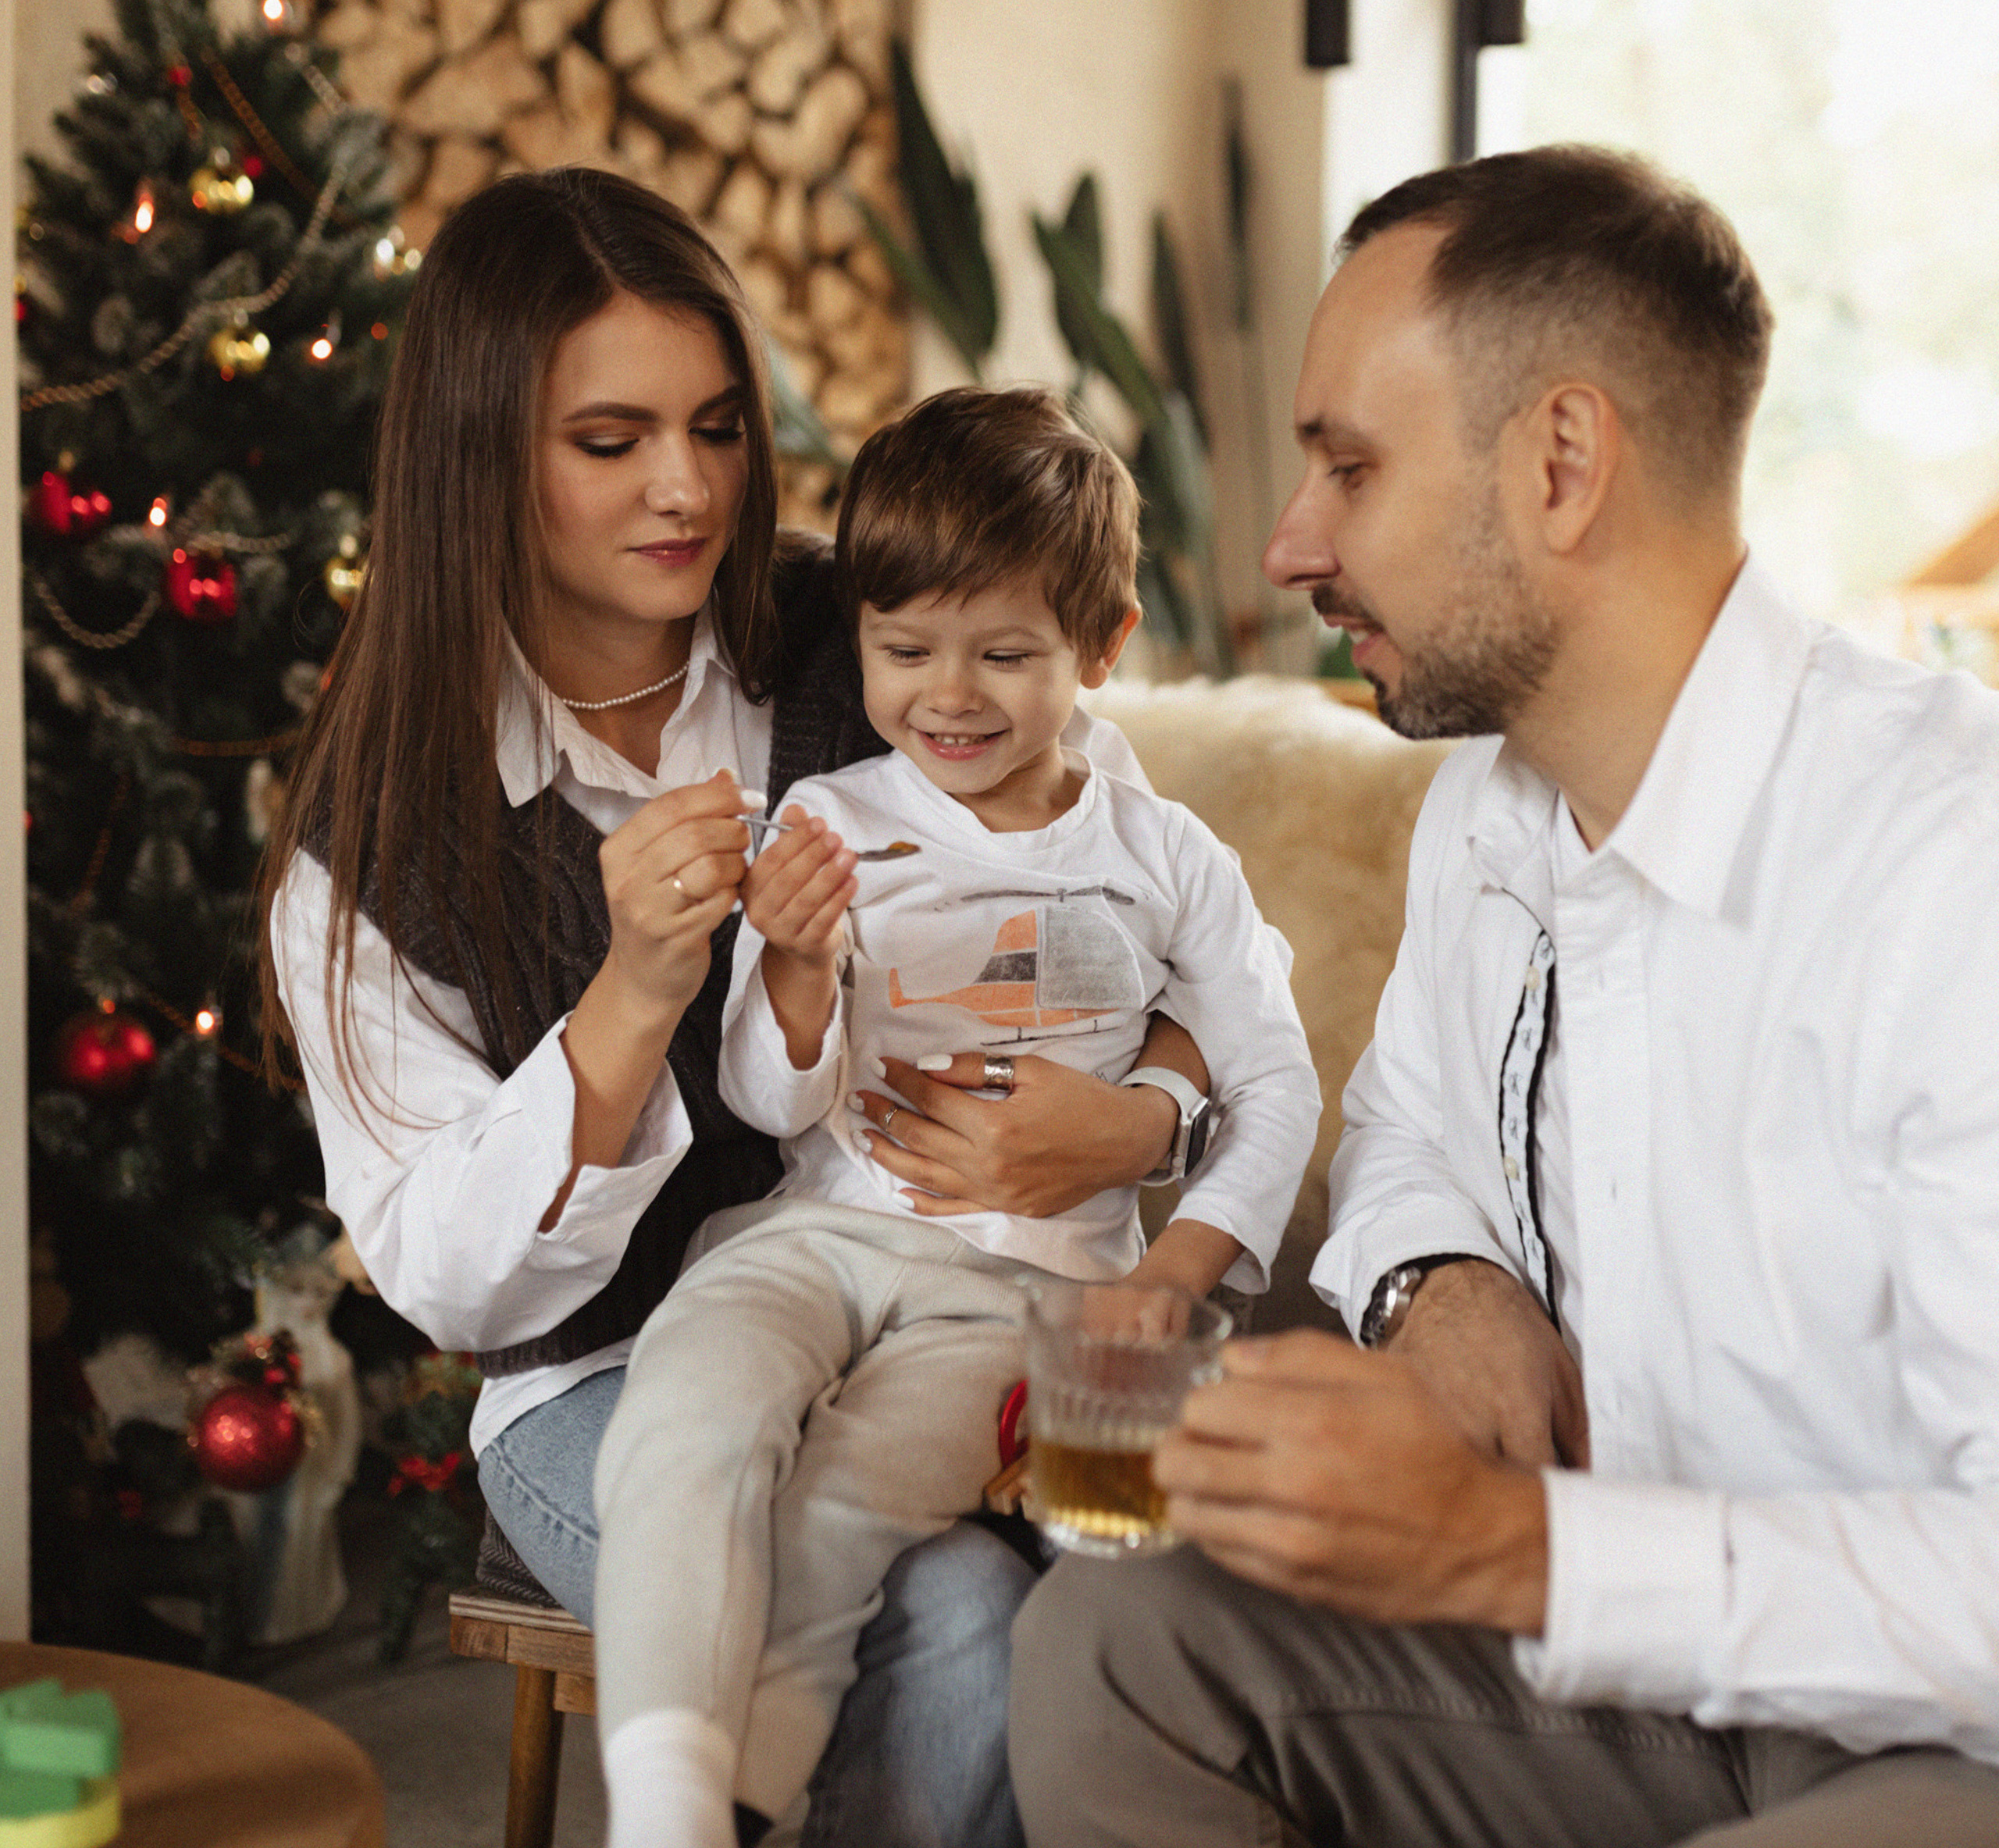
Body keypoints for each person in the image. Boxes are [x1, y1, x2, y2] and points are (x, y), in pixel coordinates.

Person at [1008, 144, 1999, 1846]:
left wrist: (1512, 1547)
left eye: (1347, 464)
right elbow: (1404, 1130)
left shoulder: (1946, 866)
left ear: (1557, 461)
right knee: (1107, 1641)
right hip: (1626, 1679)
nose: (1286, 539)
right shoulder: (1488, 807)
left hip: (1936, 1732)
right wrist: (1438, 1278)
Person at [254, 168, 1207, 1848]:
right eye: (608, 441)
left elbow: (1135, 887)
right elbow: (448, 1280)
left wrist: (1147, 1114)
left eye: (713, 424)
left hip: (940, 1306)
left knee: (1109, 1584)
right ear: (483, 452)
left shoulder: (872, 635)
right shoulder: (378, 824)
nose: (685, 488)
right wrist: (634, 992)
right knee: (956, 1628)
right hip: (603, 1382)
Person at [592, 386, 1321, 1848]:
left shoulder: (1163, 854)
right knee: (689, 1407)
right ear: (859, 634)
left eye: (1006, 655)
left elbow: (1278, 1077)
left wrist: (1171, 1284)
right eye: (904, 649)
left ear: (1102, 650)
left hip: (1019, 1296)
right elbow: (764, 1096)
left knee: (850, 1498)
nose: (951, 696)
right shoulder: (831, 820)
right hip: (819, 1236)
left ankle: (730, 1803)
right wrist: (795, 968)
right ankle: (658, 1801)